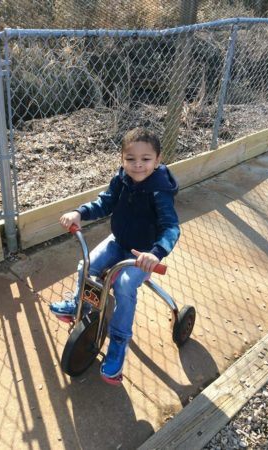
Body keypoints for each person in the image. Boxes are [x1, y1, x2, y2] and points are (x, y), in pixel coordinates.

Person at [50, 127, 180, 382]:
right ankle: (82, 302)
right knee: (86, 266)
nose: (138, 166)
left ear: (158, 160)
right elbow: (105, 202)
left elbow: (170, 227)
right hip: (118, 241)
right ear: (122, 159)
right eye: (130, 159)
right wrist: (80, 213)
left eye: (146, 159)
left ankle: (119, 343)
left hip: (142, 254)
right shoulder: (121, 180)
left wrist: (155, 253)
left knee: (123, 285)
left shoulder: (159, 192)